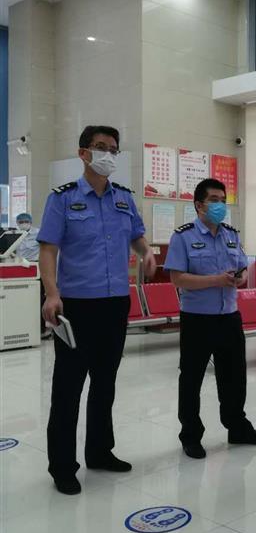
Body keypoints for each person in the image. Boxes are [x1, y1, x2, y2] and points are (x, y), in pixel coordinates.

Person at [39, 125, 157, 496]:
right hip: (76, 306)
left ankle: (100, 451)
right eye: (101, 147)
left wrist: (146, 252)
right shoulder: (63, 199)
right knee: (68, 387)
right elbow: (48, 250)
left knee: (105, 383)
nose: (108, 154)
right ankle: (62, 466)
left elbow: (137, 236)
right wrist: (51, 293)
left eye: (113, 149)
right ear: (83, 153)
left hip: (115, 303)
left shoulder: (124, 198)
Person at [164, 178, 256, 459]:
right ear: (198, 205)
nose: (219, 205)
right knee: (192, 378)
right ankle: (190, 435)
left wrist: (240, 278)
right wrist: (215, 280)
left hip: (229, 316)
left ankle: (237, 427)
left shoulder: (231, 235)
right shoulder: (183, 237)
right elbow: (177, 278)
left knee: (234, 376)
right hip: (197, 318)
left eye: (223, 200)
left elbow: (242, 269)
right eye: (213, 200)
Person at [15, 212, 47, 336]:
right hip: (21, 269)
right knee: (24, 300)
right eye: (21, 222)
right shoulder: (16, 235)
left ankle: (41, 329)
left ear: (30, 222)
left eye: (25, 221)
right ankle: (25, 328)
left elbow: (47, 252)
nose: (23, 224)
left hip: (36, 268)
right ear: (17, 223)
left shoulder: (38, 234)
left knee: (38, 299)